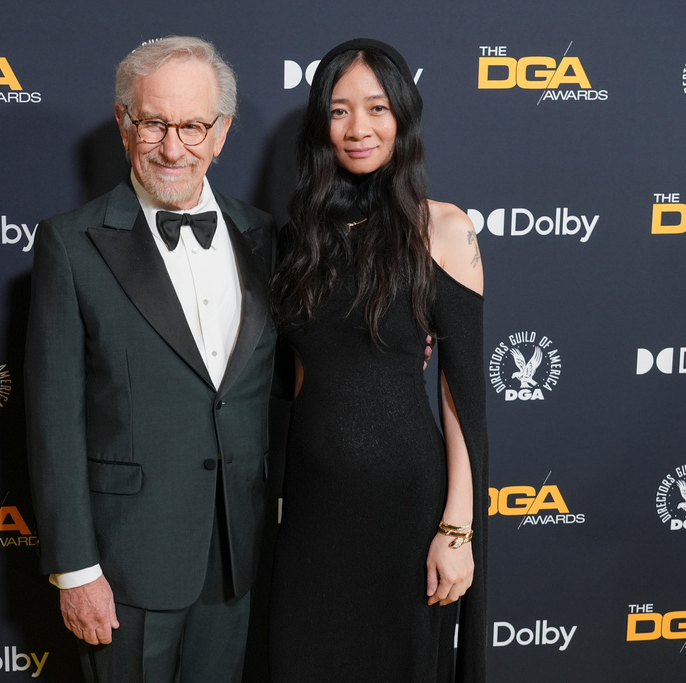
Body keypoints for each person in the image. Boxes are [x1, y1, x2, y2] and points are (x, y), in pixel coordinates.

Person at [25, 36, 278, 683]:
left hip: (234, 560)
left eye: (192, 126)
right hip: (125, 568)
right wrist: (77, 570)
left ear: (220, 132)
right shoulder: (71, 244)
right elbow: (55, 419)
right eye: (154, 123)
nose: (173, 147)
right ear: (123, 122)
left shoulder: (264, 237)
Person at [268, 38, 488, 682]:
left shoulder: (443, 229)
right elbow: (302, 375)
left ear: (403, 117)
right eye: (339, 111)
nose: (358, 128)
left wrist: (457, 528)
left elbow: (463, 392)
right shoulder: (298, 239)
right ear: (321, 123)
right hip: (311, 507)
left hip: (405, 504)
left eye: (377, 108)